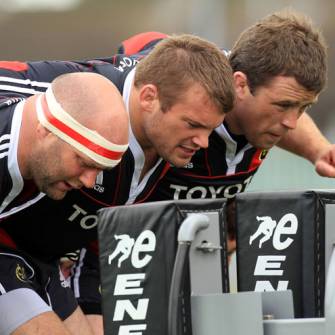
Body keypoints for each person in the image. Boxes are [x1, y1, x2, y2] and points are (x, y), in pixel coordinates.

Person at [0, 34, 235, 335]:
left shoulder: (171, 127)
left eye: (210, 129)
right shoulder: (71, 91)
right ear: (149, 98)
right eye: (193, 125)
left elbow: (273, 77)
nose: (203, 142)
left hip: (45, 261)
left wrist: (316, 151)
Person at [0, 71, 130, 335]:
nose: (90, 181)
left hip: (29, 251)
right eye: (84, 162)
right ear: (45, 130)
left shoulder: (46, 150)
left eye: (100, 169)